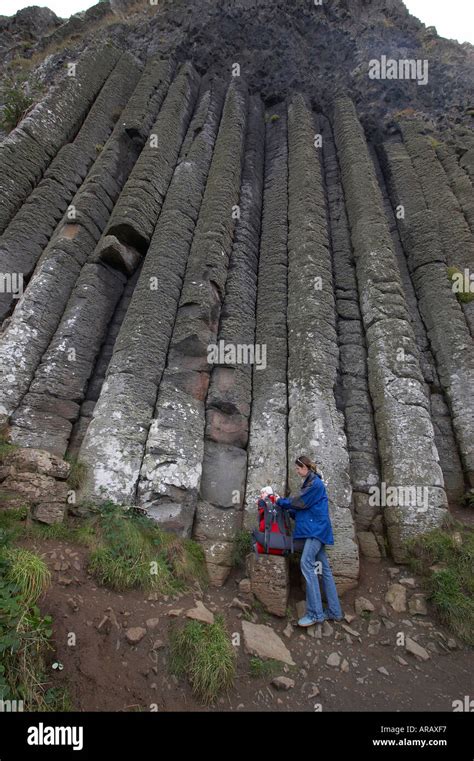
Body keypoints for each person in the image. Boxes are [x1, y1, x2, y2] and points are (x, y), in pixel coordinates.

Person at [276, 455, 343, 627]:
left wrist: (280, 502)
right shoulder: (310, 483)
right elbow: (305, 510)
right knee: (325, 570)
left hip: (316, 532)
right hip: (317, 530)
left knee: (306, 562)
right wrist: (287, 511)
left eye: (298, 468)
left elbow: (300, 503)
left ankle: (315, 614)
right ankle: (335, 611)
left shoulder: (315, 484)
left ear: (305, 467)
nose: (297, 471)